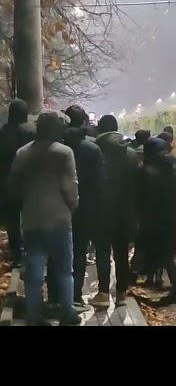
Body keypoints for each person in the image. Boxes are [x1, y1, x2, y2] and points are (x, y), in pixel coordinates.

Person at [8, 111, 81, 326]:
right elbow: (70, 187)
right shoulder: (64, 152)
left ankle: (33, 316)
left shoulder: (22, 153)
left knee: (34, 272)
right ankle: (67, 312)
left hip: (32, 220)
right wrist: (72, 207)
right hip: (59, 219)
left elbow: (13, 185)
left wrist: (27, 202)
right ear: (57, 129)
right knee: (64, 270)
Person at [90, 115, 139, 308]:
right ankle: (121, 294)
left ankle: (103, 292)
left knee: (102, 251)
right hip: (124, 212)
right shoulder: (131, 154)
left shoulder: (96, 152)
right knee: (121, 253)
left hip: (101, 210)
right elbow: (136, 188)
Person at [63, 105, 106, 306]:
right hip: (89, 207)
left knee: (67, 254)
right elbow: (100, 181)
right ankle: (83, 294)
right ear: (83, 123)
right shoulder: (93, 148)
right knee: (84, 251)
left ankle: (67, 296)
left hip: (62, 207)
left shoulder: (59, 146)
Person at [137, 137, 176, 303]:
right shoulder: (171, 166)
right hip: (169, 216)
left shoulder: (147, 170)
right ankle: (171, 286)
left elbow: (143, 198)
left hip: (153, 219)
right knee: (165, 253)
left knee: (163, 254)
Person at [0, 98, 36, 268]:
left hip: (7, 184)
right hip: (30, 184)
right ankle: (33, 250)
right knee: (31, 217)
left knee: (12, 220)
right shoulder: (32, 133)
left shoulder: (3, 134)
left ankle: (18, 253)